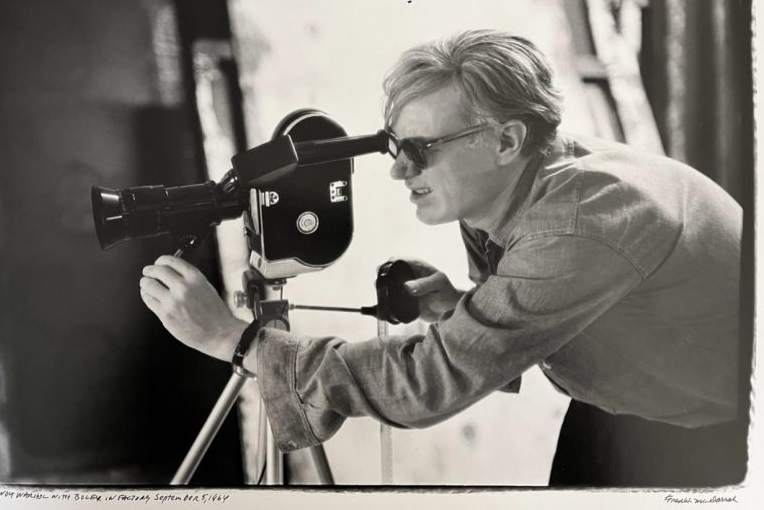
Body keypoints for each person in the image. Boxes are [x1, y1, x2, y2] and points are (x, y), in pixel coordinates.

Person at [138, 30, 747, 487]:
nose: (401, 171)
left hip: (704, 437)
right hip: (621, 407)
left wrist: (235, 341)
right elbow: (536, 323)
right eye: (394, 147)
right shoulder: (517, 186)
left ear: (505, 140)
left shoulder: (580, 220)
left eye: (422, 149)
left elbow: (430, 382)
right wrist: (464, 307)